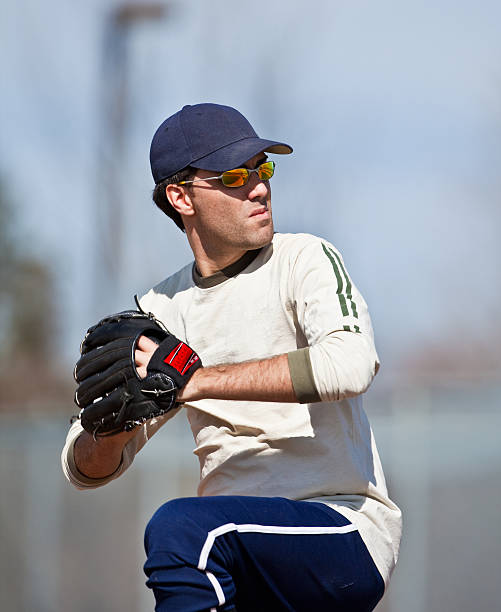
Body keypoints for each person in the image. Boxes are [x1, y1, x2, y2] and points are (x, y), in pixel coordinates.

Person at [61, 103, 402, 612]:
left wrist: (195, 380)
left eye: (263, 168)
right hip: (234, 557)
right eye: (235, 175)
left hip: (341, 529)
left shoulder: (302, 259)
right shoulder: (161, 312)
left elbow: (350, 364)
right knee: (198, 540)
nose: (260, 187)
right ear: (180, 197)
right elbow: (83, 467)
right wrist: (110, 424)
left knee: (180, 530)